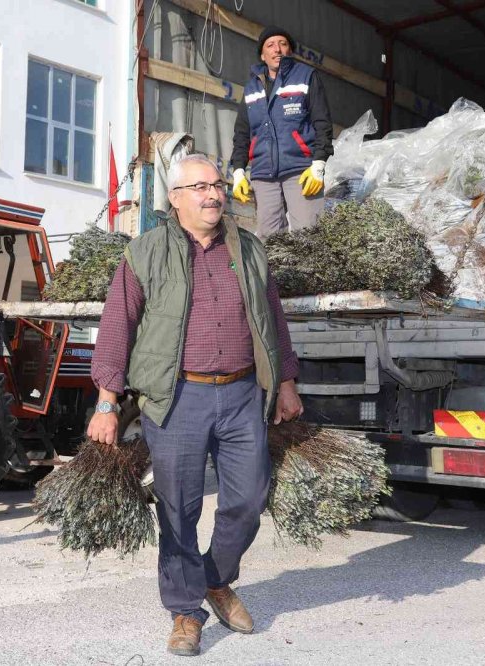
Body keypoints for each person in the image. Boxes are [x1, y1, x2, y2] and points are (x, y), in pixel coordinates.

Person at [88, 154, 303, 657]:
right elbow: (117, 327)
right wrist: (107, 402)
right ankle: (185, 612)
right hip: (176, 396)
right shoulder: (145, 252)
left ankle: (215, 578)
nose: (213, 194)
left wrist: (287, 381)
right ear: (176, 199)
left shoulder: (248, 250)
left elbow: (273, 317)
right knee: (179, 510)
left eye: (218, 185)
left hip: (242, 392)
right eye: (201, 187)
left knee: (249, 499)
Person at [230, 26, 334, 238]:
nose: (277, 49)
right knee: (270, 241)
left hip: (300, 170)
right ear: (262, 55)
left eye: (283, 44)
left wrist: (319, 164)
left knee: (308, 236)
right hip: (263, 174)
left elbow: (322, 122)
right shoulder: (251, 89)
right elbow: (242, 133)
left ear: (290, 51)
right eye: (270, 45)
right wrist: (239, 170)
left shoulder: (306, 77)